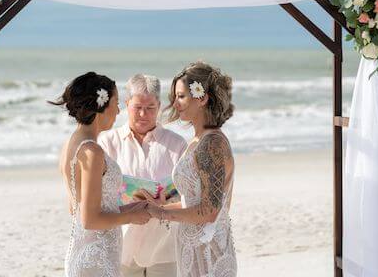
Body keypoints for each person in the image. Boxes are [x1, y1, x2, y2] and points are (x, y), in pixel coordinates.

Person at [50, 72, 151, 277]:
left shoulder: (70, 145)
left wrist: (134, 206)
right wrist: (131, 216)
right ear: (100, 105)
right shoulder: (92, 152)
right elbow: (89, 219)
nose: (119, 109)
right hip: (96, 259)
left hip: (87, 252)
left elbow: (77, 209)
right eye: (115, 102)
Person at [146, 62, 237, 277]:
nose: (175, 104)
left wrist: (160, 213)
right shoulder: (197, 141)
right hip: (193, 248)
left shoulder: (212, 144)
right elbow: (193, 202)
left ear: (202, 98)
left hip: (209, 253)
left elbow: (210, 211)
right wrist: (158, 204)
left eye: (181, 96)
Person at [99, 74, 187, 277]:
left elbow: (188, 195)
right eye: (137, 107)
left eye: (150, 108)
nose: (143, 114)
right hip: (122, 246)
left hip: (164, 247)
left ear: (159, 105)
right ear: (126, 103)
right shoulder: (107, 142)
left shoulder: (177, 144)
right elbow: (98, 195)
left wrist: (167, 202)